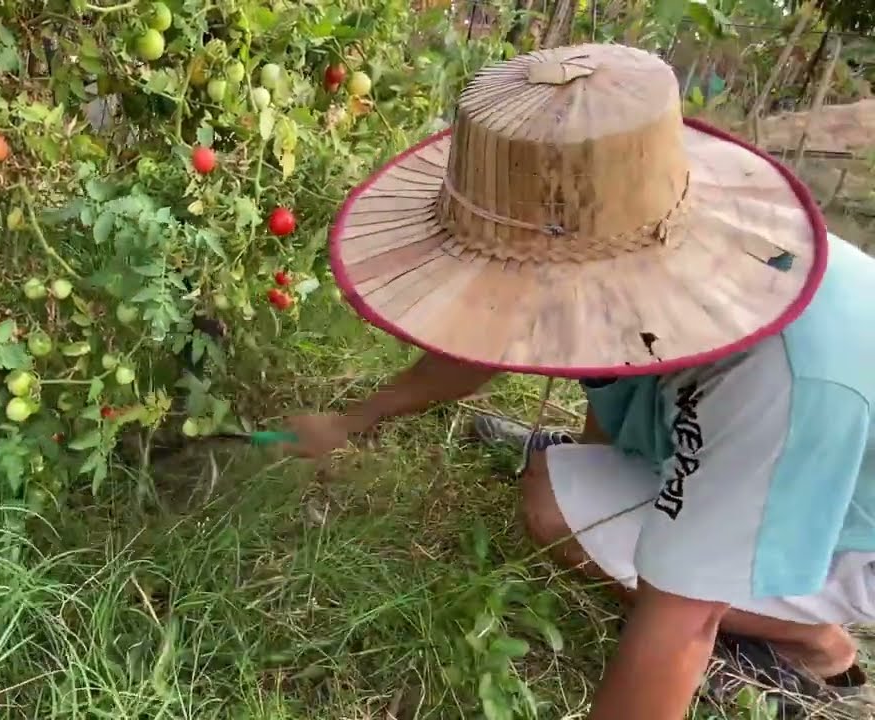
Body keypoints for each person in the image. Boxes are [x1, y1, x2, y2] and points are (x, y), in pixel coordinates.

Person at [287, 43, 875, 719]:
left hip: (845, 534)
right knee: (559, 472)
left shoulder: (773, 378)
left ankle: (815, 642)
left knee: (559, 509)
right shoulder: (666, 255)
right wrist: (349, 420)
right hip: (787, 444)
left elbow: (679, 628)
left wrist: (688, 597)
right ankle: (624, 472)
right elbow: (486, 338)